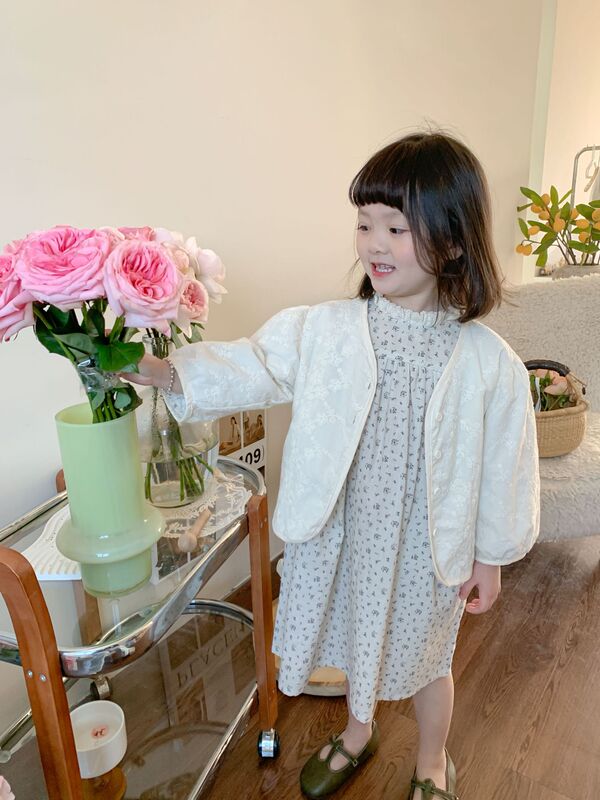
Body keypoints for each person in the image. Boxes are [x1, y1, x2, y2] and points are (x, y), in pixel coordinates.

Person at [122, 131, 540, 800]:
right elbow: (255, 365)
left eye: (397, 228)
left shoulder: (490, 363)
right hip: (345, 531)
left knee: (430, 660)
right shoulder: (326, 329)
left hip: (427, 548)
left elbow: (502, 470)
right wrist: (164, 372)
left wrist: (490, 558)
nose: (375, 243)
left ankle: (432, 760)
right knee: (353, 640)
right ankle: (355, 733)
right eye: (365, 223)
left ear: (454, 242)